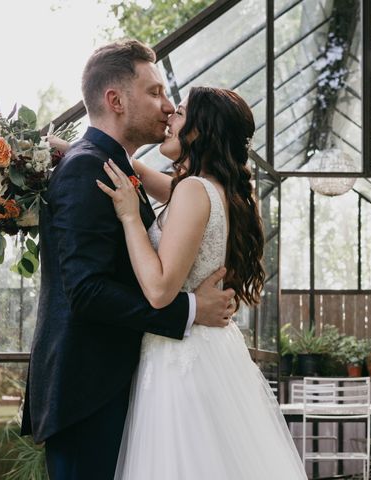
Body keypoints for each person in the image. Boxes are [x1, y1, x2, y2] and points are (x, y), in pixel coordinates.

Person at [20, 40, 236, 480]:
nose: (168, 104)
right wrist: (191, 310)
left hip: (120, 388)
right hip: (88, 396)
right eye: (155, 92)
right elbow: (86, 290)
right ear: (115, 100)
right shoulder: (88, 168)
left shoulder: (117, 167)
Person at [96, 86, 307, 479]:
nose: (169, 120)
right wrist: (88, 148)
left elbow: (159, 291)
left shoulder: (194, 190)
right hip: (208, 353)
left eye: (179, 113)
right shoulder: (212, 188)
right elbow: (156, 182)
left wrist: (129, 218)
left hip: (181, 362)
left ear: (200, 129)